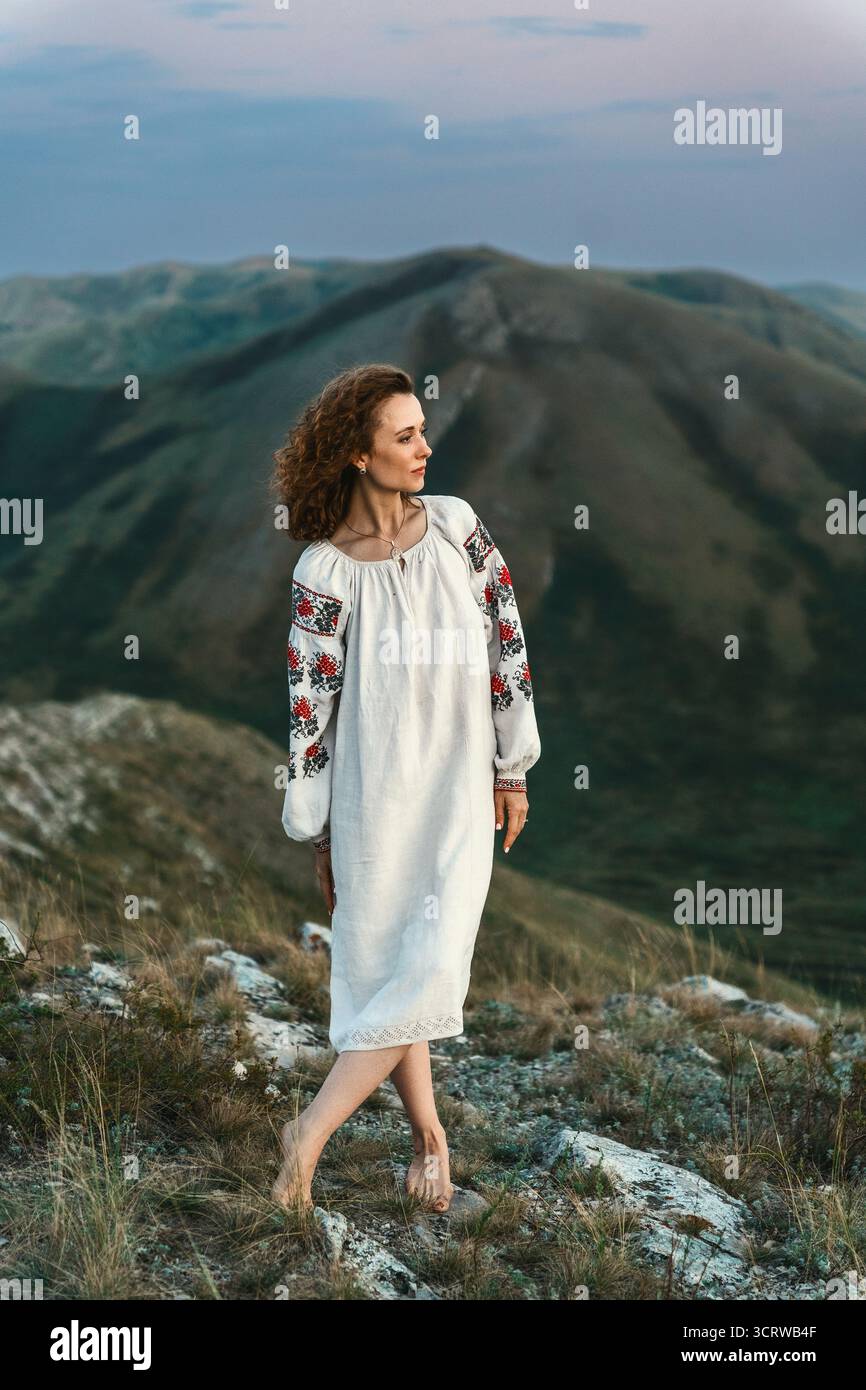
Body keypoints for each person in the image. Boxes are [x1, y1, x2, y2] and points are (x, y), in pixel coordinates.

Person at [270, 363, 541, 1213]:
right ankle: (429, 1138)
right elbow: (309, 709)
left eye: (423, 430)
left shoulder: (458, 528)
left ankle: (306, 1134)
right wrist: (317, 828)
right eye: (405, 436)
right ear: (357, 454)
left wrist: (512, 766)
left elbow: (508, 645)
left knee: (430, 965)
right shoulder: (324, 574)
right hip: (371, 806)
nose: (427, 448)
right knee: (396, 970)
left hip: (458, 795)